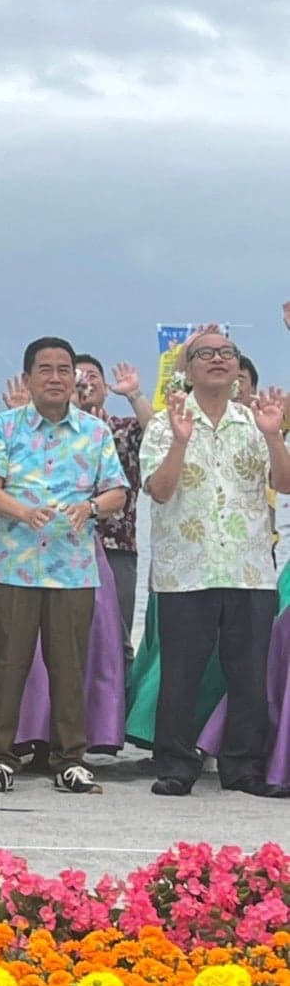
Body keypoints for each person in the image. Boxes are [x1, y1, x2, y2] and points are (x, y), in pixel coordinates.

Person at [0, 337, 127, 796]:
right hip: (12, 566)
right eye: (46, 369)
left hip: (73, 567)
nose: (57, 377)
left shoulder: (95, 432)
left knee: (68, 664)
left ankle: (69, 760)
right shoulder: (1, 428)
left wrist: (92, 508)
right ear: (29, 377)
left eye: (65, 369)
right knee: (7, 663)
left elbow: (117, 492)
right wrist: (22, 512)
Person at [141, 327, 290, 798]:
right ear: (187, 368)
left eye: (227, 352)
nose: (218, 360)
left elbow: (285, 484)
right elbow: (159, 492)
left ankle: (243, 767)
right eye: (205, 353)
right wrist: (181, 442)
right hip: (186, 571)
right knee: (182, 672)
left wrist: (273, 437)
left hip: (249, 570)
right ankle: (176, 764)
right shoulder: (165, 424)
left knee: (248, 674)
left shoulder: (256, 421)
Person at [74, 356, 154, 661]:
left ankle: (120, 703)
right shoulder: (52, 437)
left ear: (106, 388)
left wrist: (134, 393)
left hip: (117, 545)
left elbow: (155, 431)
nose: (86, 382)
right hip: (67, 546)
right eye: (78, 375)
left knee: (118, 638)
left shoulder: (121, 430)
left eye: (93, 375)